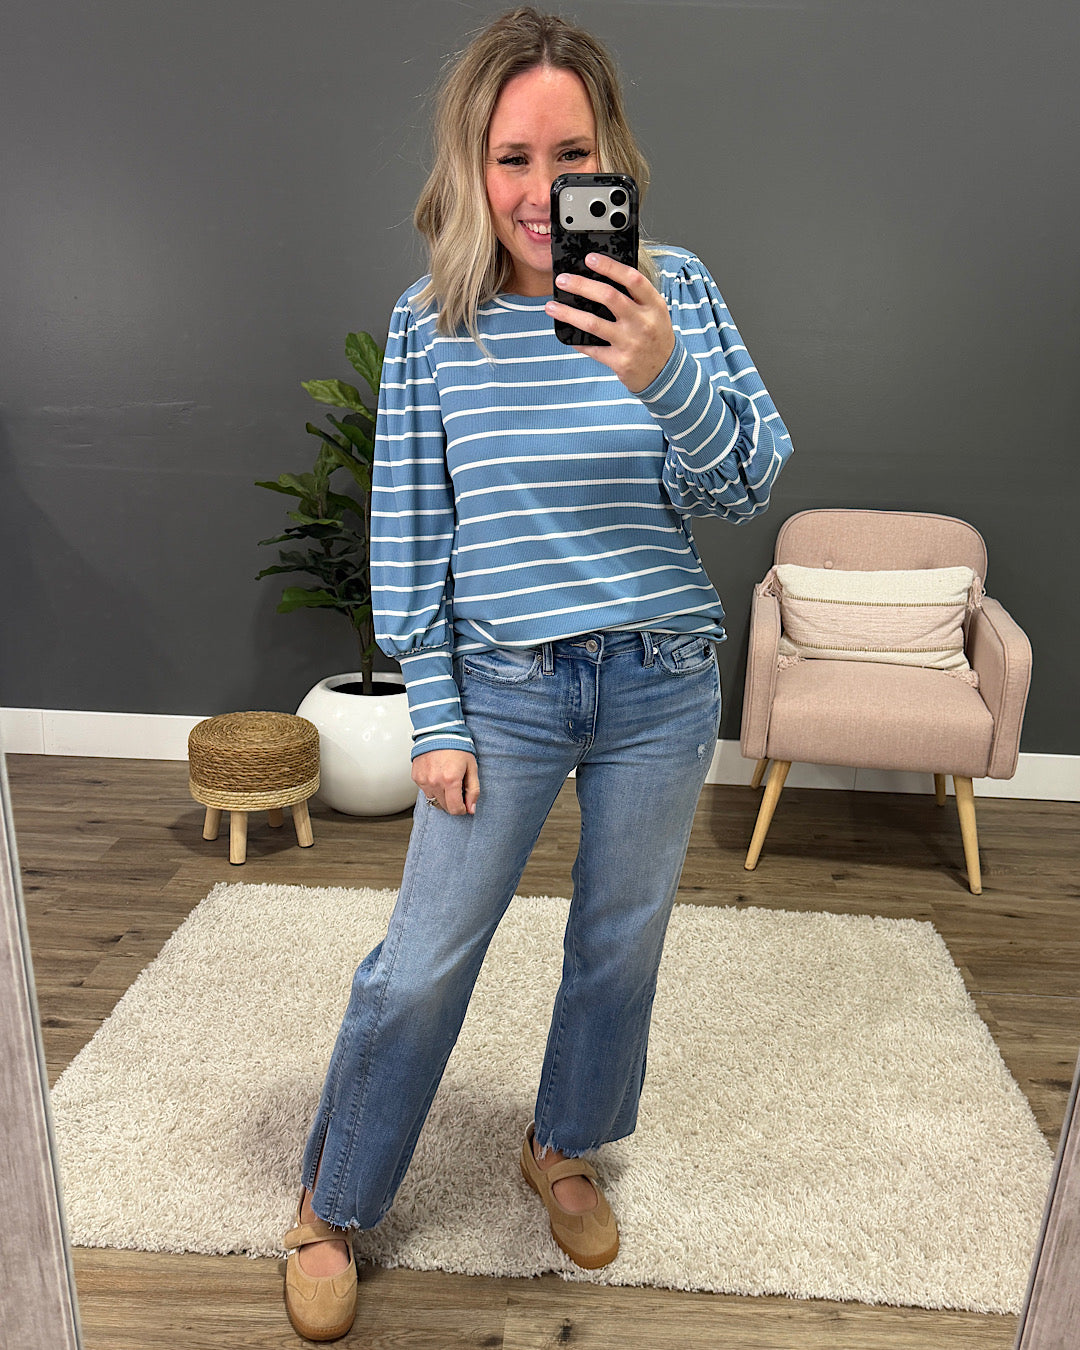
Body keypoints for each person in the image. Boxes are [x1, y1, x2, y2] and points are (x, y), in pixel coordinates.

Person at [282, 6, 792, 1340]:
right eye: (513, 156)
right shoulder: (431, 323)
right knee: (422, 963)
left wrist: (665, 374)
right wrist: (438, 716)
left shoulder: (673, 293)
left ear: (611, 154)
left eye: (572, 155)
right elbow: (413, 536)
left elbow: (746, 481)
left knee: (619, 944)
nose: (540, 187)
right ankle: (333, 1199)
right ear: (473, 162)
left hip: (661, 678)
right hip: (501, 688)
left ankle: (562, 1143)